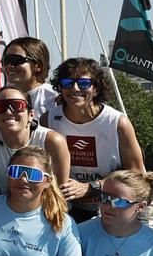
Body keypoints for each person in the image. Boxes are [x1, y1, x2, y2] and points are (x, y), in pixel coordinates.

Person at [47, 56, 144, 223]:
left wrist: (91, 187)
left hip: (112, 206)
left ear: (96, 89)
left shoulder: (117, 123)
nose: (75, 88)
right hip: (67, 208)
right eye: (67, 83)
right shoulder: (49, 119)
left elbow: (137, 172)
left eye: (84, 84)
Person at [0, 87, 68, 196]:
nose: (8, 111)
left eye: (17, 105)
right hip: (2, 207)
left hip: (46, 207)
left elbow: (60, 194)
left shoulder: (53, 141)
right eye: (0, 107)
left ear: (31, 115)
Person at [1, 36, 60, 124]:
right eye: (6, 60)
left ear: (38, 66)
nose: (9, 66)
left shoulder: (53, 98)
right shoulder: (2, 98)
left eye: (16, 60)